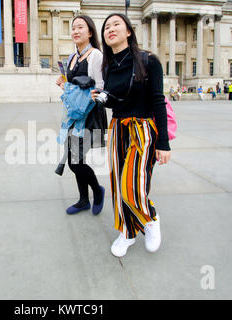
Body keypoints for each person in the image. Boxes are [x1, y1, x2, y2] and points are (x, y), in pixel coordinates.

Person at [91, 13, 171, 257]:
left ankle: (149, 217)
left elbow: (158, 100)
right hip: (117, 128)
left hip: (143, 128)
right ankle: (127, 232)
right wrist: (102, 99)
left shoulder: (149, 61)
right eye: (106, 27)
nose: (110, 29)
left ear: (128, 31)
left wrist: (164, 143)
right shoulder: (108, 65)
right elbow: (119, 100)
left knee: (132, 185)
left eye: (116, 24)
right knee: (118, 184)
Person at [56, 15, 106, 216]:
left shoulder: (96, 56)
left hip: (89, 116)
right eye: (73, 28)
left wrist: (92, 95)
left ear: (90, 32)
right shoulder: (72, 57)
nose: (75, 31)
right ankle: (84, 200)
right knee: (75, 157)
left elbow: (101, 87)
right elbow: (71, 85)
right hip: (74, 115)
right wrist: (63, 84)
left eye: (80, 27)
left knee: (75, 161)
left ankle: (97, 191)